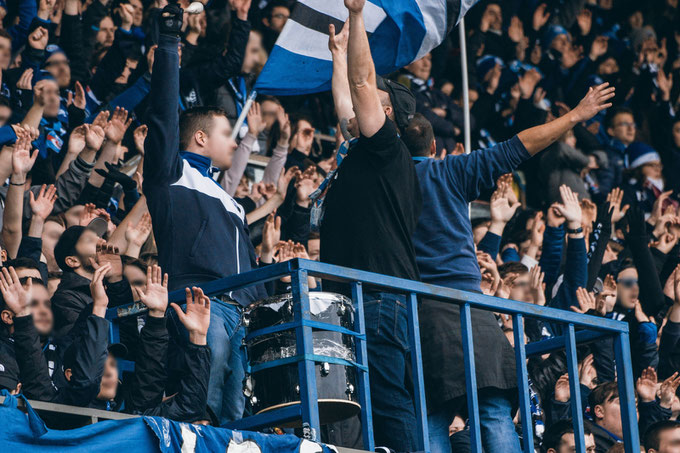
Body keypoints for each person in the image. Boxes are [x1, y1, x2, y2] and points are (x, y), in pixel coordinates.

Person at [406, 81, 614, 453]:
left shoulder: (389, 182)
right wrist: (575, 116)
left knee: (432, 412)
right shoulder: (451, 170)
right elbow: (519, 146)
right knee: (494, 411)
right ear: (435, 148)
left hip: (422, 314)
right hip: (475, 311)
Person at [143, 1, 266, 425]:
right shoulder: (169, 174)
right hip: (202, 303)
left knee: (236, 417)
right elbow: (161, 113)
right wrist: (169, 41)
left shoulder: (231, 199)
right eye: (225, 133)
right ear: (198, 137)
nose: (235, 142)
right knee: (204, 412)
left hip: (243, 315)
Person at [319, 0, 422, 450]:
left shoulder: (387, 148)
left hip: (380, 295)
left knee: (385, 398)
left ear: (389, 117)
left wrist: (358, 16)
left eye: (374, 105)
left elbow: (362, 84)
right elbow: (348, 100)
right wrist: (338, 55)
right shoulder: (362, 148)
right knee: (359, 398)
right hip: (355, 295)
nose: (363, 107)